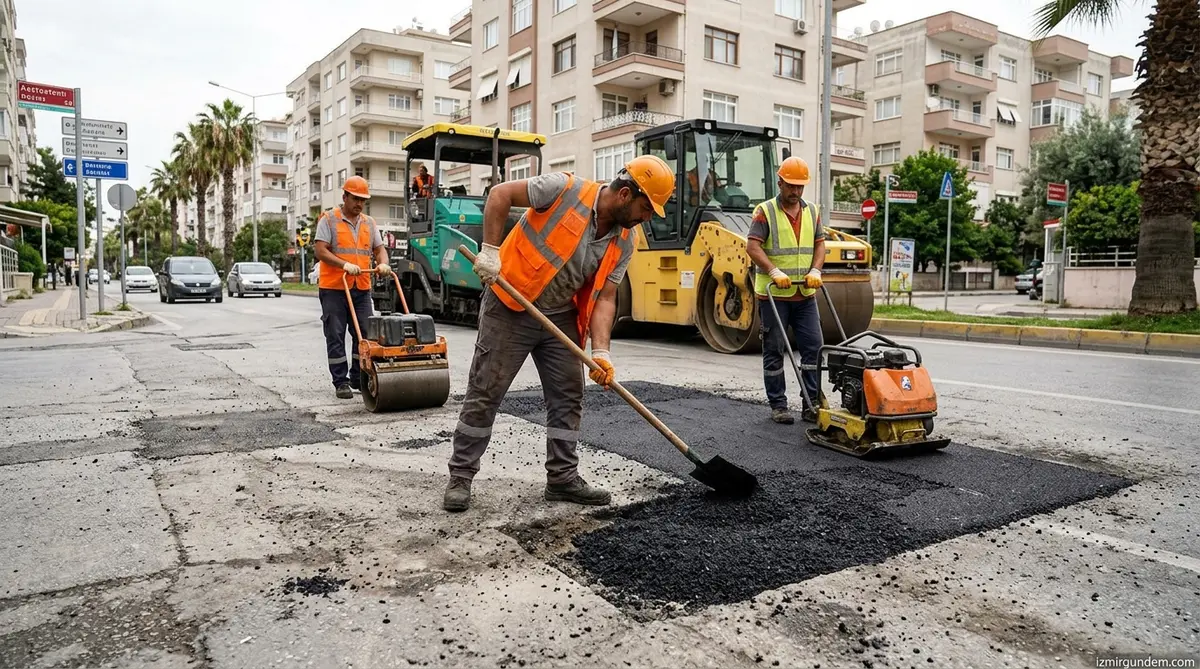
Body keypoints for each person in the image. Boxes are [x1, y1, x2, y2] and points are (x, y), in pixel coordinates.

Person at [442, 155, 676, 512]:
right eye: (647, 208)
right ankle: (461, 476)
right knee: (486, 390)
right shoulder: (563, 189)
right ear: (625, 194)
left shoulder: (625, 241)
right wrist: (489, 251)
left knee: (569, 395)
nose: (647, 218)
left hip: (560, 314)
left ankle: (562, 478)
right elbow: (500, 194)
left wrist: (601, 352)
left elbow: (606, 297)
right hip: (510, 303)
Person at [746, 156, 826, 425]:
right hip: (774, 296)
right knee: (774, 349)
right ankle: (778, 405)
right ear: (780, 182)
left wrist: (815, 270)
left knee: (814, 348)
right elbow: (753, 246)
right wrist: (773, 271)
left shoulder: (812, 211)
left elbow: (820, 244)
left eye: (800, 186)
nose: (796, 191)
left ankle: (811, 403)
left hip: (805, 295)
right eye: (791, 185)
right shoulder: (765, 211)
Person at [313, 176, 392, 400]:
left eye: (363, 200)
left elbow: (379, 249)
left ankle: (358, 377)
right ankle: (341, 381)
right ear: (345, 196)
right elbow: (320, 250)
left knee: (365, 333)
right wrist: (343, 265)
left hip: (361, 287)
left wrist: (383, 263)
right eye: (355, 199)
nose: (359, 204)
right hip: (334, 288)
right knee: (335, 333)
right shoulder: (329, 219)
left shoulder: (369, 223)